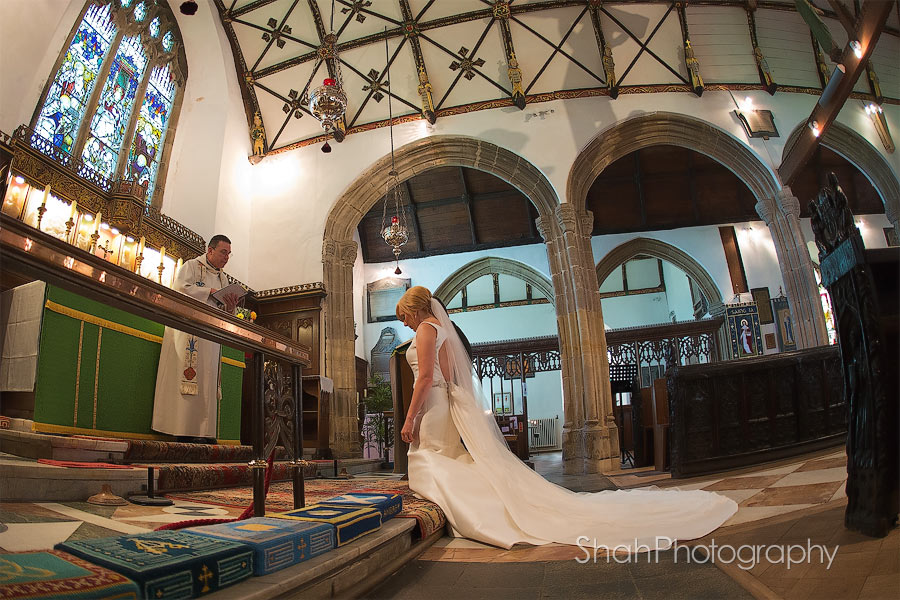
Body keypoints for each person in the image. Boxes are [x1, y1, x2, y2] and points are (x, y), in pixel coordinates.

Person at [396, 285, 737, 549]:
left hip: (432, 403)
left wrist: (410, 419)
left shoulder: (426, 329)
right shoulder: (439, 327)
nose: (406, 324)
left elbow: (426, 377)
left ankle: (480, 508)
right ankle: (480, 500)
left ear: (414, 309)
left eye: (405, 317)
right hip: (440, 402)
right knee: (442, 457)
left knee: (432, 458)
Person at [151, 235, 240, 444]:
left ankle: (204, 432)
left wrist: (230, 306)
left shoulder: (223, 278)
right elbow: (179, 290)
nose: (226, 257)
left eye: (229, 254)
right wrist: (208, 291)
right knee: (189, 378)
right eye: (223, 252)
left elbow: (225, 311)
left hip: (211, 336)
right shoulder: (191, 266)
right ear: (210, 251)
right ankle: (181, 428)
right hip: (189, 333)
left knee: (207, 382)